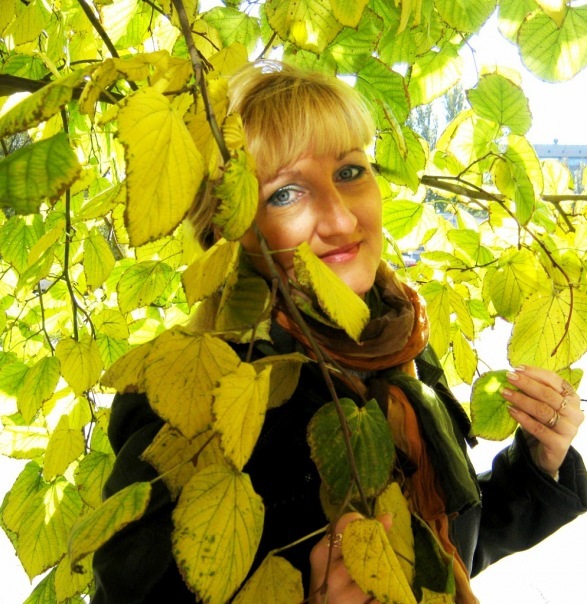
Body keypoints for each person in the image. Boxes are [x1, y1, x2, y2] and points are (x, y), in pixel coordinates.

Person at [92, 61, 587, 603]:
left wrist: (539, 465)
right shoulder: (191, 400)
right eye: (285, 193)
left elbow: (451, 547)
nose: (343, 220)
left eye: (350, 171)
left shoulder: (400, 351)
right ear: (225, 230)